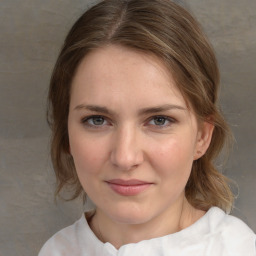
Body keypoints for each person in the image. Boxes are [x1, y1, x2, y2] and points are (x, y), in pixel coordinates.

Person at [39, 0, 256, 255]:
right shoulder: (55, 251)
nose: (125, 157)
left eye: (159, 120)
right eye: (97, 120)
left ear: (202, 137)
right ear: (66, 135)